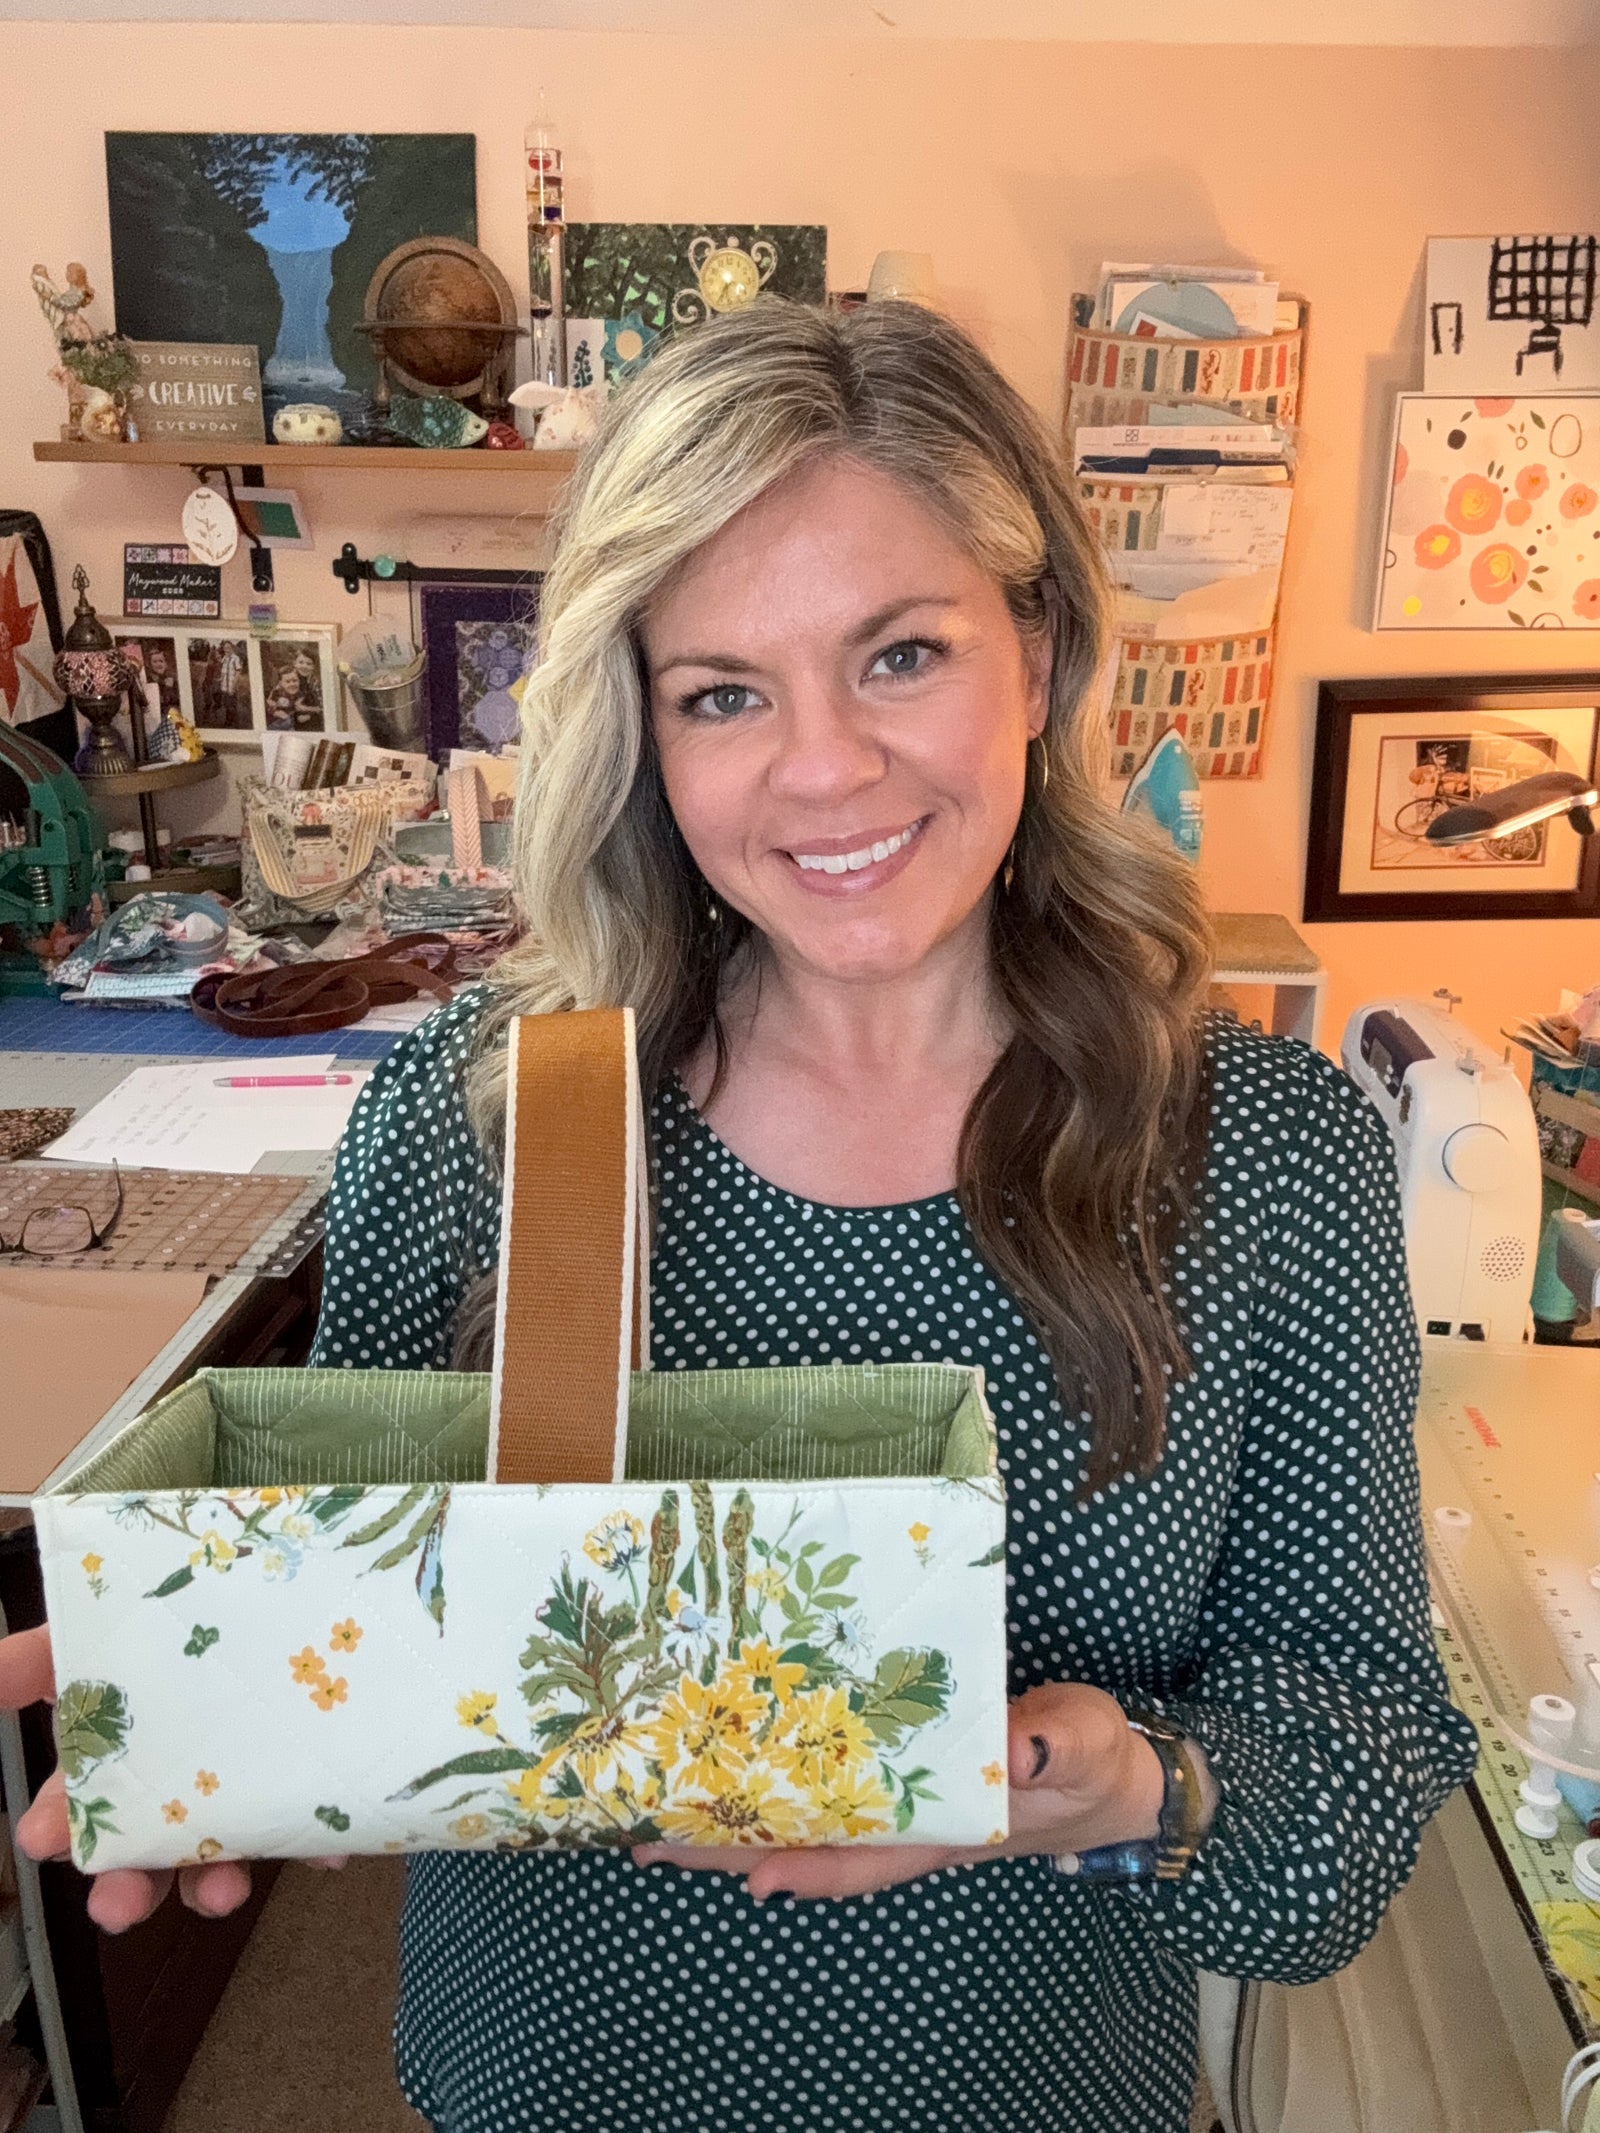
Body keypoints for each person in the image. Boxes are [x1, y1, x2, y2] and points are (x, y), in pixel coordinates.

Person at [0, 301, 1478, 2133]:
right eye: (723, 691)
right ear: (641, 729)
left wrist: (1129, 1786)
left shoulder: (1260, 1154)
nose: (825, 769)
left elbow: (1357, 1753)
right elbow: (375, 1633)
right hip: (540, 2086)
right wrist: (226, 1722)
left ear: (1036, 648)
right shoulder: (496, 1115)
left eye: (900, 653)